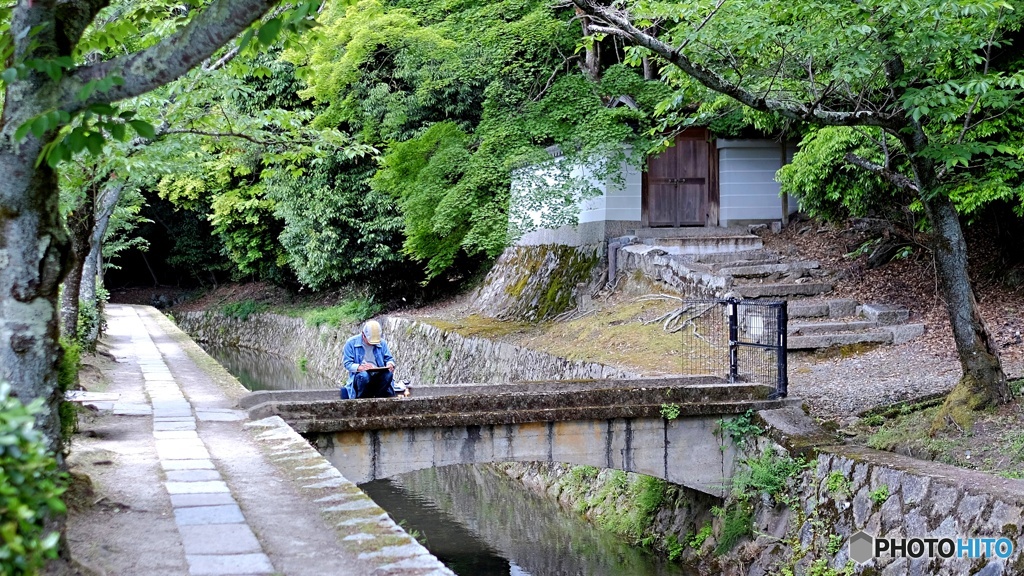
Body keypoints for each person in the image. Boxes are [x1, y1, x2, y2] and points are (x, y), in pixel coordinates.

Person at [340, 319, 396, 399]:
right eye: (370, 341)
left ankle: (380, 398)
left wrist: (390, 364)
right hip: (361, 375)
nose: (372, 344)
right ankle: (362, 399)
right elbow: (347, 364)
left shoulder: (382, 343)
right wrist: (360, 367)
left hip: (378, 374)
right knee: (364, 376)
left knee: (388, 375)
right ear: (363, 335)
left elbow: (389, 358)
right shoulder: (351, 343)